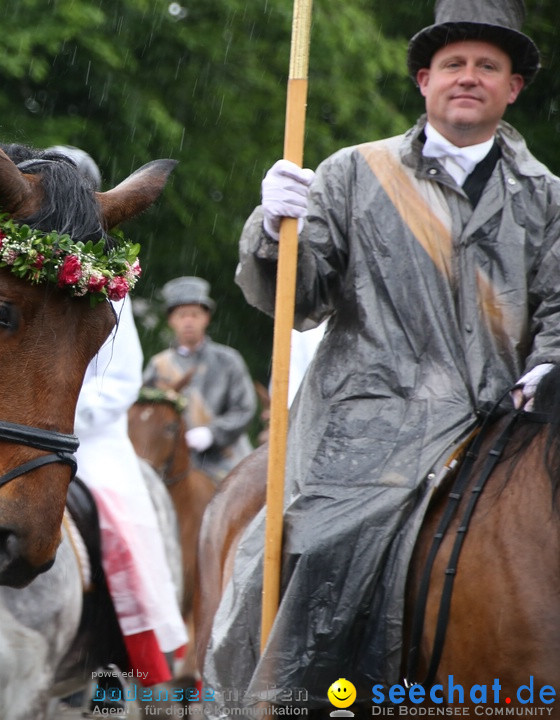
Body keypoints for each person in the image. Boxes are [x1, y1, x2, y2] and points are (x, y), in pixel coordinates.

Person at [204, 0, 560, 708]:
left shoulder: (548, 197)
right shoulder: (352, 174)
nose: (469, 77)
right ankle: (293, 699)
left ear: (513, 87)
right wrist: (275, 230)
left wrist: (546, 366)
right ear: (423, 80)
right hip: (367, 422)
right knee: (328, 552)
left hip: (498, 422)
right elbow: (298, 300)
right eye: (453, 64)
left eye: (487, 66)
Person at [51, 144, 189, 687]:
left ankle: (119, 645)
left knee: (121, 524)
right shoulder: (16, 261)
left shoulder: (109, 277)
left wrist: (64, 417)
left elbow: (121, 375)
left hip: (88, 435)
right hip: (15, 425)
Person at [143, 276, 257, 481]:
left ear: (206, 318)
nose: (188, 321)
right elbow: (145, 413)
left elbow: (244, 409)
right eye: (182, 315)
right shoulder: (158, 365)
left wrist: (212, 433)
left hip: (226, 460)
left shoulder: (228, 360)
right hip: (171, 464)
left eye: (195, 314)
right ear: (171, 320)